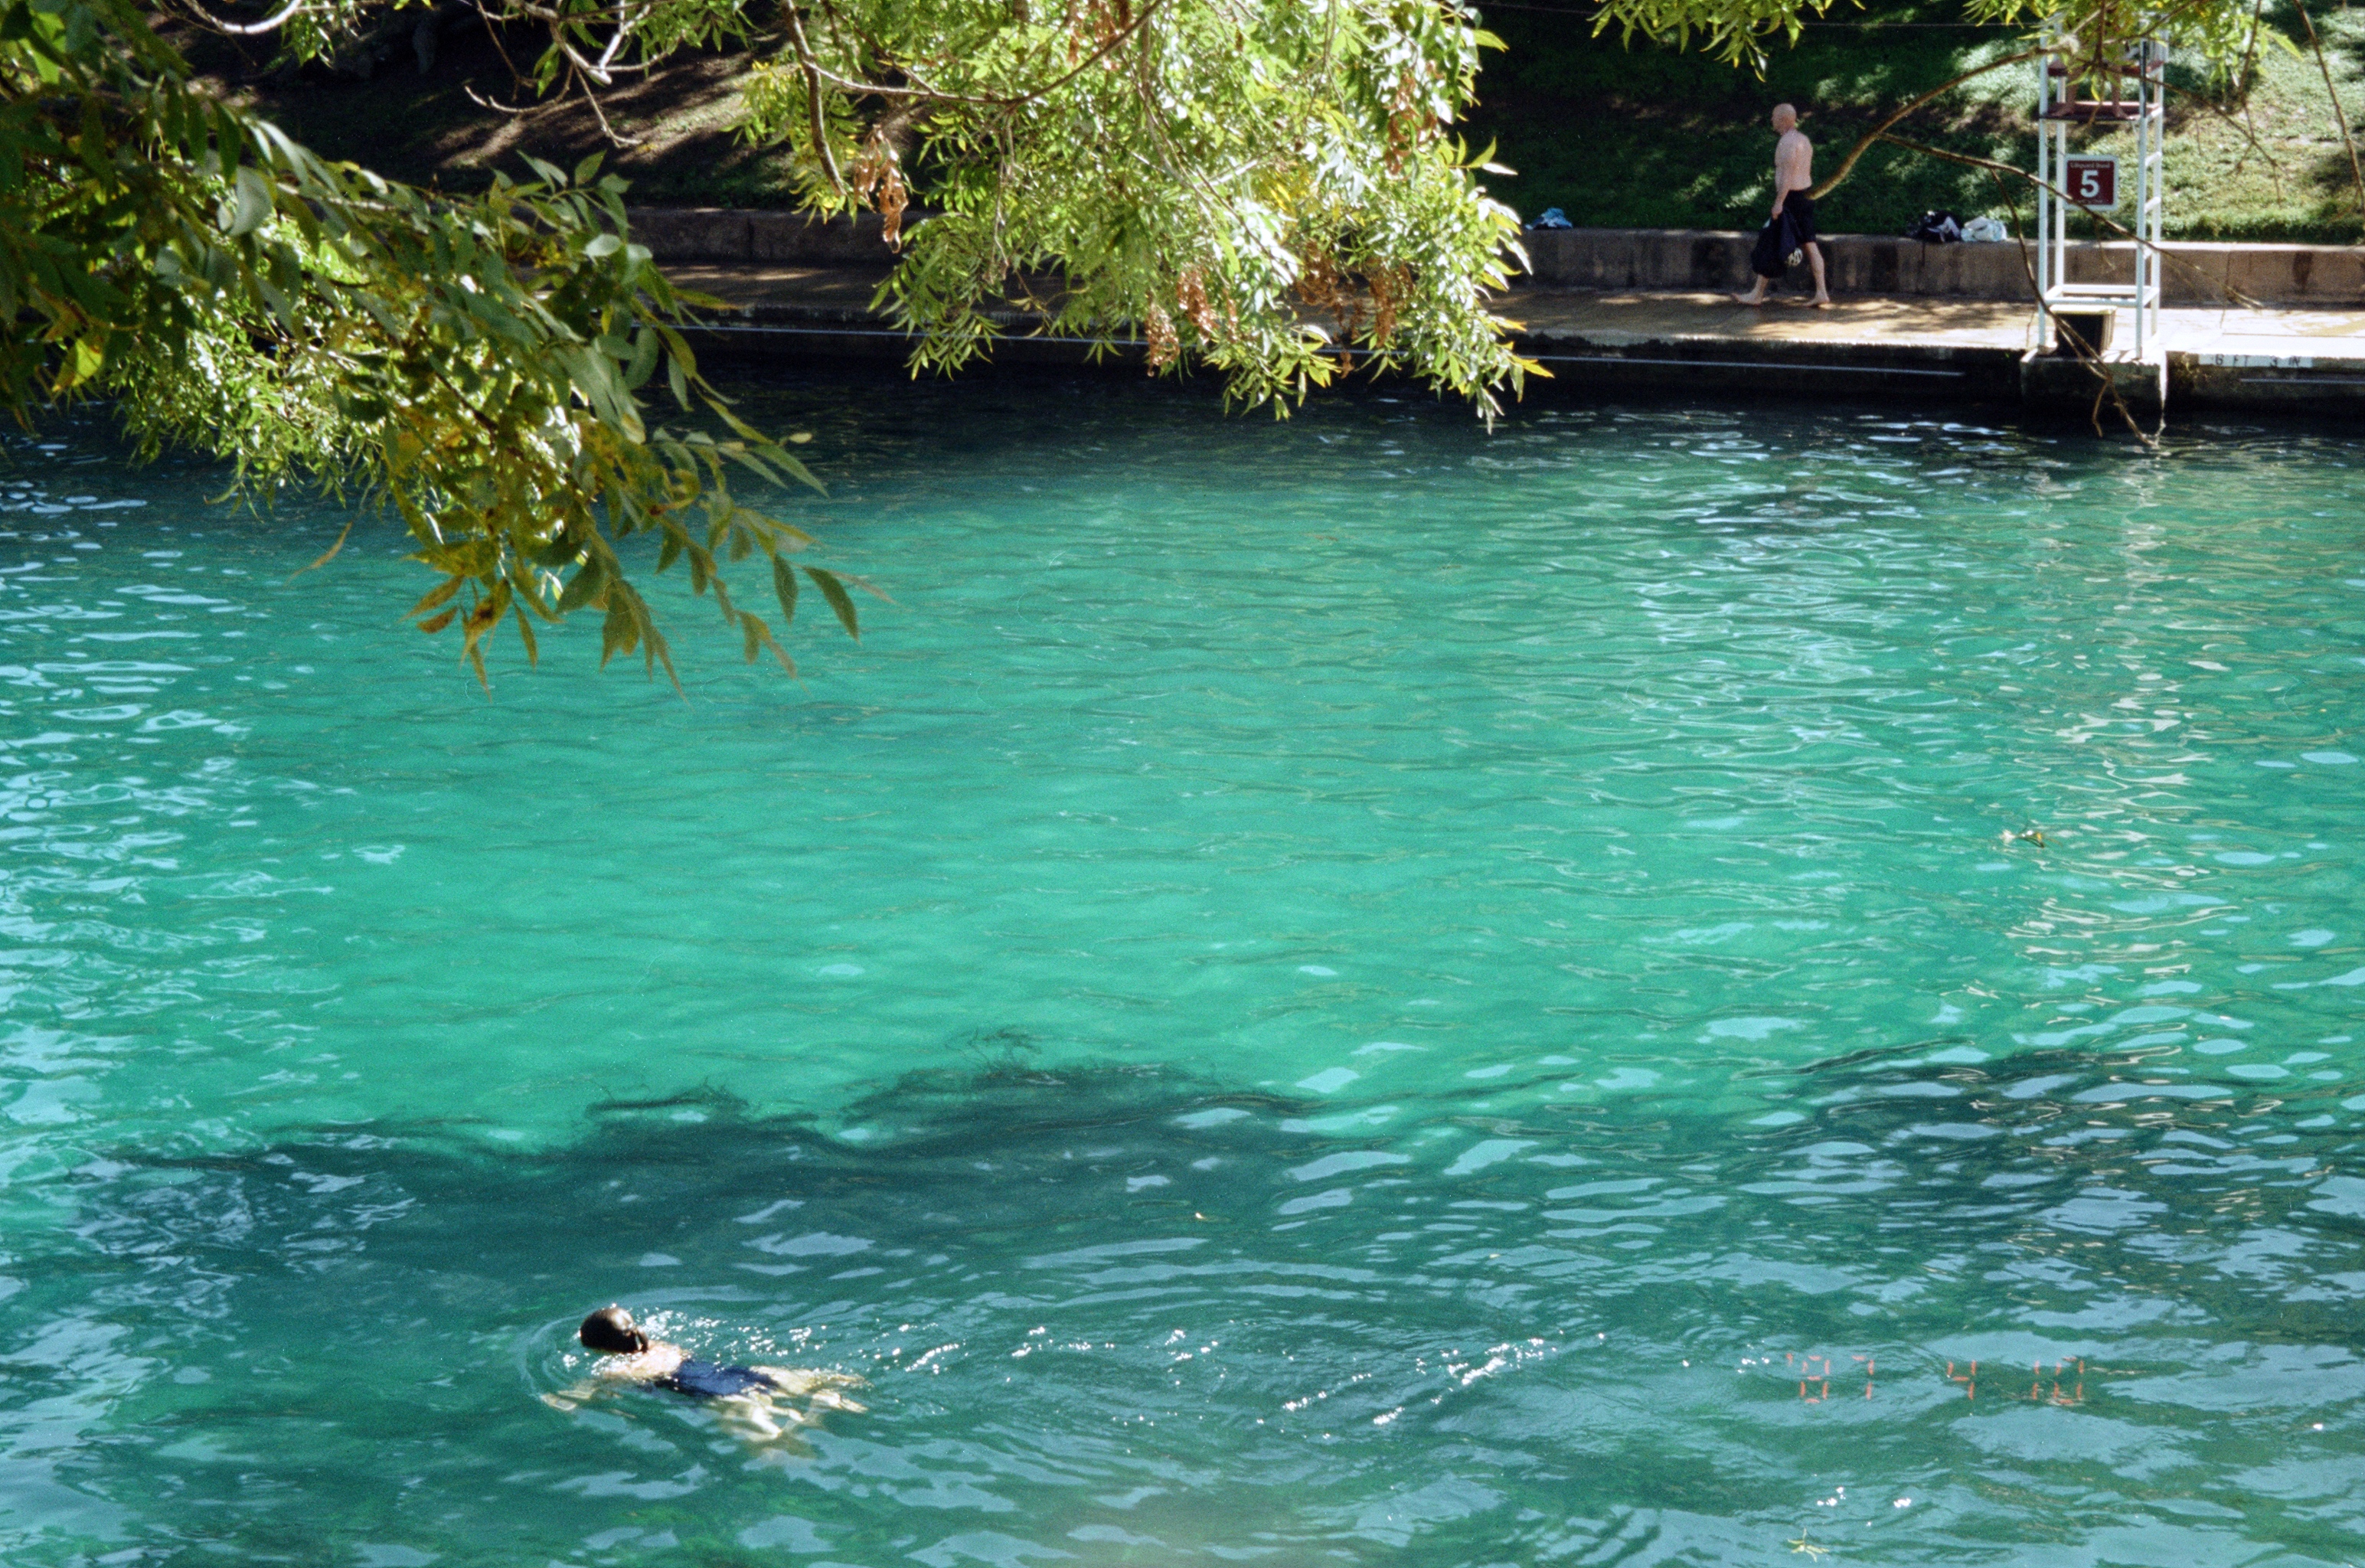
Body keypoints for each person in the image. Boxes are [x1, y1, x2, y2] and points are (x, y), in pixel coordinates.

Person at [545, 1305, 867, 1441]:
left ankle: (818, 1409)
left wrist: (556, 1398)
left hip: (723, 1398)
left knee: (775, 1449)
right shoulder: (663, 1346)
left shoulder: (624, 1371)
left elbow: (580, 1393)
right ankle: (823, 1385)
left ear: (602, 1349)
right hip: (744, 1375)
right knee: (803, 1380)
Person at [1737, 103, 1831, 309]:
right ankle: (1821, 292)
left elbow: (1787, 174)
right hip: (1805, 196)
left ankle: (1757, 294)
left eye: (1773, 116)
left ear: (1782, 119)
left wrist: (1779, 203)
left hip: (1791, 199)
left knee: (1772, 240)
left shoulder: (1788, 142)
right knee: (1810, 244)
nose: (1771, 120)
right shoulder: (1803, 140)